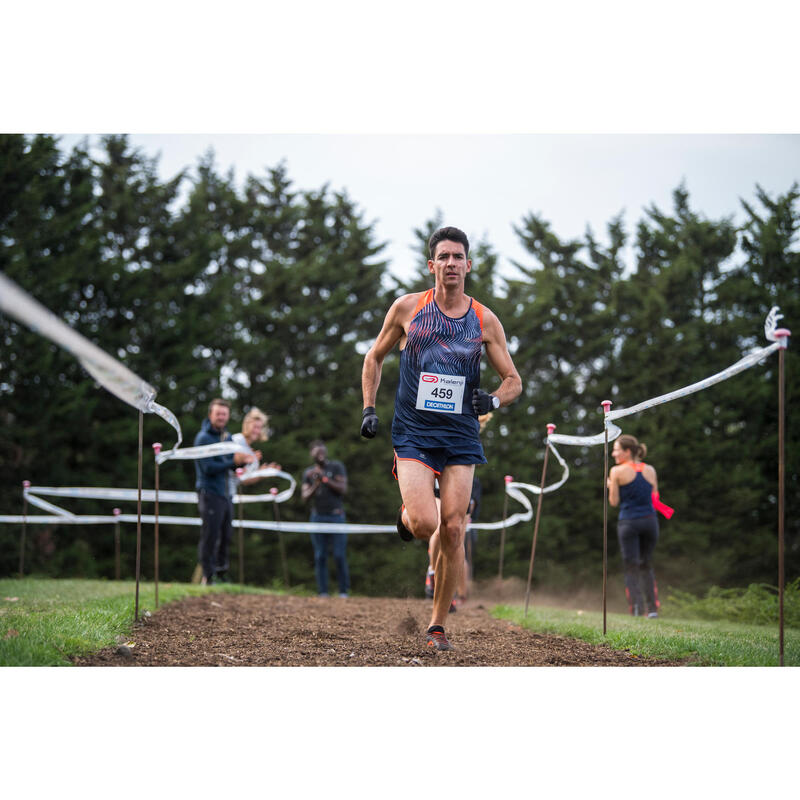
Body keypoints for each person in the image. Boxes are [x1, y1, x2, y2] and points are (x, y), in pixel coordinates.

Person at [361, 226, 522, 651]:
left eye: (458, 257)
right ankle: (406, 517)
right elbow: (374, 356)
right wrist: (369, 408)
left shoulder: (484, 319)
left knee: (453, 529)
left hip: (461, 434)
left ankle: (437, 625)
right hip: (413, 431)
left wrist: (493, 401)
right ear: (431, 265)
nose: (451, 264)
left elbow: (513, 381)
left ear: (468, 265)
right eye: (444, 257)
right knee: (426, 524)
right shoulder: (408, 308)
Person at [425, 412, 491, 606]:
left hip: (458, 484)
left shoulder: (468, 437)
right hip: (435, 487)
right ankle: (432, 573)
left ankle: (455, 595)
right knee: (439, 530)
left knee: (456, 545)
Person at [607, 434, 672, 618]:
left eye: (616, 450)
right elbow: (655, 498)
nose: (613, 454)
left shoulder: (616, 471)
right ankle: (652, 610)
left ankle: (636, 608)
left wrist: (610, 485)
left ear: (627, 452)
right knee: (646, 564)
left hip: (629, 522)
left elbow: (614, 501)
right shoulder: (650, 470)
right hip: (650, 522)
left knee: (631, 566)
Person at [194, 399, 256, 585]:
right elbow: (208, 468)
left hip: (226, 493)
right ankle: (208, 575)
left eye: (224, 414)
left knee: (226, 534)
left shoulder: (227, 436)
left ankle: (221, 573)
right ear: (210, 415)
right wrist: (234, 462)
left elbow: (230, 462)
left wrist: (245, 461)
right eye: (218, 414)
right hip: (209, 492)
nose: (221, 417)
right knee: (210, 535)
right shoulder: (203, 438)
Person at [301, 439, 350, 598]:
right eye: (317, 452)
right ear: (312, 455)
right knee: (320, 555)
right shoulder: (308, 474)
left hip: (336, 516)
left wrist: (325, 479)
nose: (320, 455)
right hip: (317, 517)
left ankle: (343, 591)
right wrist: (316, 483)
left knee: (339, 555)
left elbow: (343, 489)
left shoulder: (336, 467)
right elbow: (304, 497)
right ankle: (323, 592)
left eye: (322, 451)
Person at [227, 407, 282, 498]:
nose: (257, 431)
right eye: (255, 427)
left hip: (230, 494)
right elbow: (227, 462)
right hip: (218, 491)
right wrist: (243, 459)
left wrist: (263, 473)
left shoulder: (253, 455)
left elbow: (244, 480)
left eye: (259, 428)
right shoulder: (236, 440)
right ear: (247, 425)